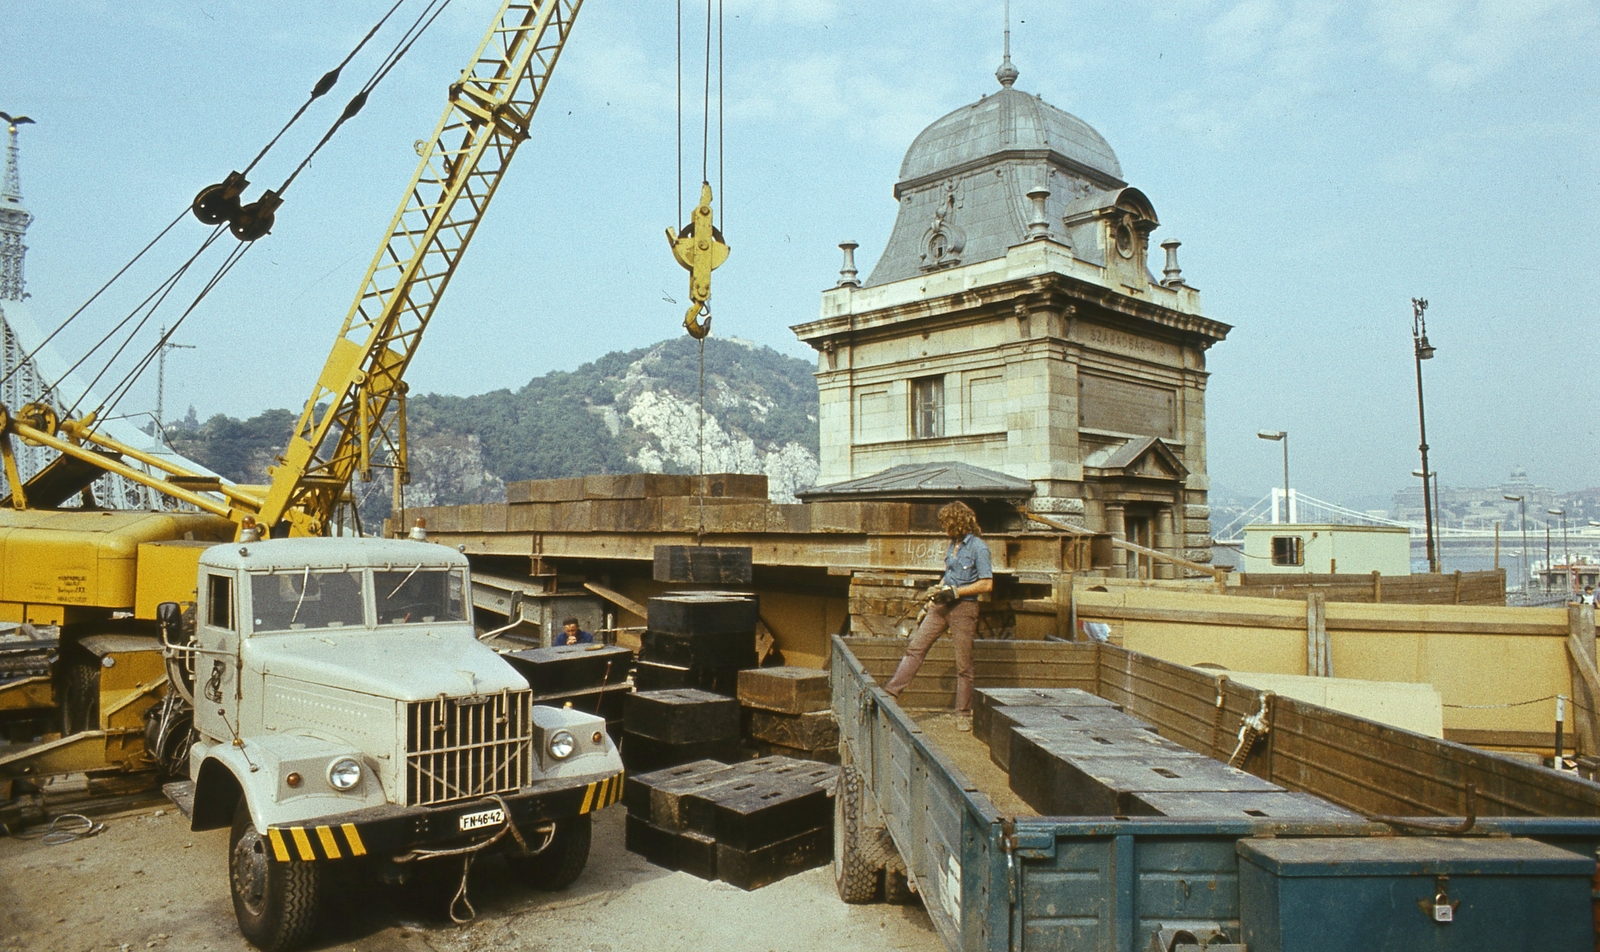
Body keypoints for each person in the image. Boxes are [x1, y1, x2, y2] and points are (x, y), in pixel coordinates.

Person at [884, 501, 992, 730]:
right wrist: (932, 600)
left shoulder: (979, 548)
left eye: (946, 524)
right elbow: (949, 575)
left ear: (957, 523)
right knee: (915, 649)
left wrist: (957, 592)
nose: (944, 528)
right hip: (941, 606)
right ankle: (891, 694)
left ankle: (963, 714)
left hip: (964, 609)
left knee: (963, 665)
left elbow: (987, 584)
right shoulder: (953, 545)